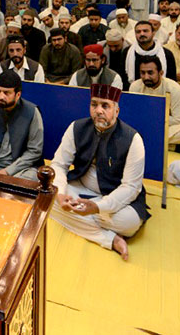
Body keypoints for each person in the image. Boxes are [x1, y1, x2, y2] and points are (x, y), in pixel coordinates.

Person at [49, 83, 150, 260]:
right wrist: (60, 193)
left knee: (130, 223)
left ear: (117, 111)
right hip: (80, 189)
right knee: (46, 198)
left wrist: (97, 207)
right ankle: (110, 239)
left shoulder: (133, 139)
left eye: (105, 106)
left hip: (115, 199)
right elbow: (58, 165)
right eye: (94, 104)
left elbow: (131, 188)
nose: (98, 111)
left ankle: (80, 217)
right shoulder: (76, 127)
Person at [127, 56, 180, 146]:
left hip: (164, 127)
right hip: (143, 127)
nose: (146, 77)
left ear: (161, 73)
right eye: (143, 73)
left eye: (150, 73)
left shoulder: (174, 89)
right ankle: (166, 145)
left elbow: (178, 120)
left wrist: (152, 117)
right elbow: (133, 115)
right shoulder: (135, 86)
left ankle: (145, 141)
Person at [120, 21, 176, 89]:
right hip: (134, 92)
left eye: (145, 31)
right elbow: (123, 77)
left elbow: (172, 80)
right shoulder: (127, 52)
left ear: (153, 33)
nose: (142, 34)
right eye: (138, 32)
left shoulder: (167, 54)